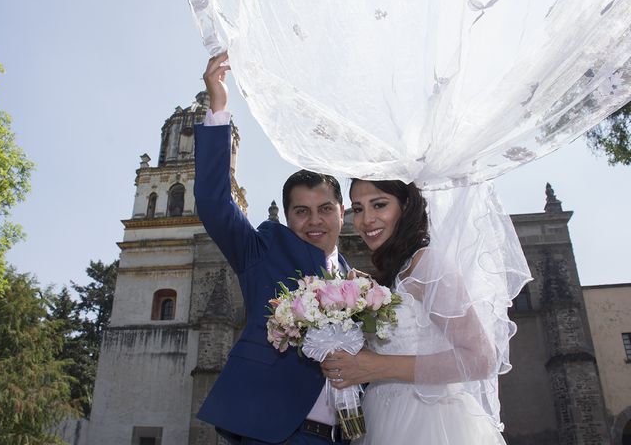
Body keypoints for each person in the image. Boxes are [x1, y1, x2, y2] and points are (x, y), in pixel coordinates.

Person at [194, 52, 350, 445]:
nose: (315, 220)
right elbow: (215, 204)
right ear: (286, 215)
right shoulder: (263, 250)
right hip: (272, 433)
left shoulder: (358, 282)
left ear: (342, 213)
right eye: (302, 211)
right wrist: (219, 109)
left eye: (324, 209)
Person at [321, 179, 507, 444]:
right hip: (381, 418)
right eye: (359, 208)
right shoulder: (395, 274)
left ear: (406, 206)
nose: (366, 219)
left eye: (380, 205)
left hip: (430, 421)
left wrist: (374, 367)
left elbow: (481, 359)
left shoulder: (427, 265)